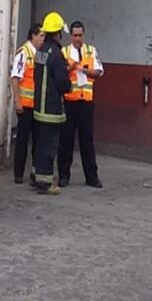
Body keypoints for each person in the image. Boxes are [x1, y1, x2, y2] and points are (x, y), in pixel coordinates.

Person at [59, 21, 105, 188]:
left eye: (80, 35)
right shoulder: (64, 52)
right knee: (66, 141)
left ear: (83, 35)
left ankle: (91, 177)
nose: (78, 38)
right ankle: (64, 176)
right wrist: (71, 68)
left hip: (86, 103)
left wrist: (86, 71)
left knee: (87, 141)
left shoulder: (91, 51)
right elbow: (59, 74)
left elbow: (99, 71)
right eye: (75, 35)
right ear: (71, 36)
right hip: (70, 102)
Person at [31, 11, 71, 195]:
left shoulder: (40, 50)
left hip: (39, 106)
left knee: (40, 143)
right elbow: (62, 81)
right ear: (57, 33)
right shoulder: (56, 53)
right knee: (49, 145)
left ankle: (36, 174)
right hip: (52, 108)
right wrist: (68, 87)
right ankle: (45, 182)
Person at [10, 24, 44, 184]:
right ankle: (18, 173)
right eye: (42, 36)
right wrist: (17, 101)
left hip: (37, 105)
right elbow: (15, 78)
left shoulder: (40, 54)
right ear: (33, 36)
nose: (43, 39)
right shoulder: (24, 53)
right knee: (23, 140)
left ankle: (35, 171)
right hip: (25, 105)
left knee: (38, 140)